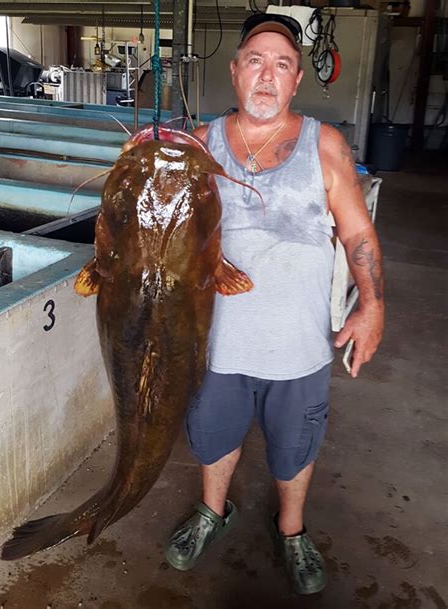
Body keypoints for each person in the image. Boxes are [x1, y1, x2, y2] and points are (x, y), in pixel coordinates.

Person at [165, 12, 384, 595]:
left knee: (294, 446)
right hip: (216, 344)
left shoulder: (325, 144)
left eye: (282, 64)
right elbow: (166, 233)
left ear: (295, 82)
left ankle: (291, 529)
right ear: (235, 72)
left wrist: (372, 307)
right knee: (213, 439)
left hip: (300, 344)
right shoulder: (202, 144)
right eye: (256, 61)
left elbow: (359, 235)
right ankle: (214, 512)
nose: (267, 75)